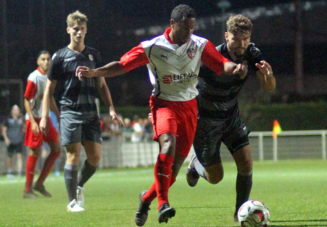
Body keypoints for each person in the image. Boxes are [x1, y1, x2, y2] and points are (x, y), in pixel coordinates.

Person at [75, 4, 247, 225]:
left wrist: (235, 68)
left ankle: (146, 199)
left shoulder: (199, 44)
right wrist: (95, 72)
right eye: (186, 29)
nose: (189, 34)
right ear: (173, 24)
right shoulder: (153, 47)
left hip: (189, 107)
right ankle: (163, 204)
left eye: (192, 29)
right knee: (167, 147)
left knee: (173, 171)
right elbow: (122, 65)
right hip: (164, 104)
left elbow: (222, 64)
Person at [185, 14, 276, 221]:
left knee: (246, 163)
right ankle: (196, 165)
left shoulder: (252, 53)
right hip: (205, 122)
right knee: (216, 178)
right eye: (236, 39)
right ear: (227, 36)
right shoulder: (211, 57)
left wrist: (269, 77)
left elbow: (269, 88)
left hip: (231, 117)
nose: (241, 44)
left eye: (245, 39)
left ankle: (239, 213)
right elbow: (185, 83)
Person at [39, 10, 122, 212]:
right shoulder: (59, 57)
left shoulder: (93, 55)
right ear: (68, 30)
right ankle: (71, 202)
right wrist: (44, 117)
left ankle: (79, 185)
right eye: (75, 29)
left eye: (82, 29)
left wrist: (111, 108)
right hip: (69, 112)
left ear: (86, 31)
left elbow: (102, 85)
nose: (79, 33)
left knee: (95, 157)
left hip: (91, 113)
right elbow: (49, 90)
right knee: (73, 156)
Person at [23, 50, 61, 198]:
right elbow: (26, 100)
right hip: (35, 119)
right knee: (35, 152)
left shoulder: (49, 77)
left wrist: (58, 116)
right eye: (43, 59)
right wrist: (32, 121)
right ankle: (27, 190)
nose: (46, 62)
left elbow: (49, 97)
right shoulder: (34, 77)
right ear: (38, 62)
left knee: (56, 149)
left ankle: (39, 184)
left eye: (48, 59)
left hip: (45, 118)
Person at [2, 105, 25, 178]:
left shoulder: (21, 119)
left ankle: (19, 171)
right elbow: (4, 130)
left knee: (19, 155)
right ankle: (9, 171)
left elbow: (25, 128)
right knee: (10, 156)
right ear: (12, 111)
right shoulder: (8, 119)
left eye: (18, 110)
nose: (17, 111)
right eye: (15, 110)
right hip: (10, 140)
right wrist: (6, 138)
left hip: (18, 140)